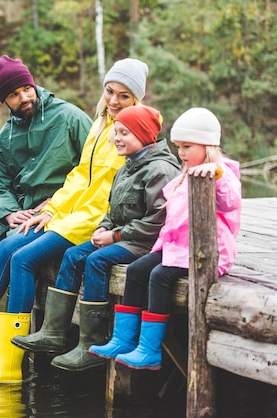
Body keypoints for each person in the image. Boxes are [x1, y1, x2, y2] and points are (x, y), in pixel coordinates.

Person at [0, 58, 150, 385]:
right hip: (61, 211)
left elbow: (121, 187)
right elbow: (78, 177)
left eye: (124, 96)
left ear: (137, 99)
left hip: (91, 220)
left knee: (20, 256)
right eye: (110, 92)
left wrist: (74, 217)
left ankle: (6, 360)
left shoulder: (114, 126)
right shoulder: (100, 123)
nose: (114, 100)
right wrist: (48, 210)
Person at [11, 105, 180, 372]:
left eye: (125, 133)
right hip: (121, 236)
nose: (117, 139)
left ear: (144, 134)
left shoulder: (159, 169)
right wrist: (103, 229)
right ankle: (53, 333)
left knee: (98, 261)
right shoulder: (127, 166)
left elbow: (158, 221)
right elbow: (111, 209)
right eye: (116, 132)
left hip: (144, 243)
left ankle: (90, 344)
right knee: (73, 254)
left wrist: (114, 236)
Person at [0, 55, 93, 340]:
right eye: (14, 94)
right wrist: (10, 212)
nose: (24, 97)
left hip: (61, 212)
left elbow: (94, 171)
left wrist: (56, 203)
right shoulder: (7, 135)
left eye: (27, 88)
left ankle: (6, 343)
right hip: (19, 215)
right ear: (4, 101)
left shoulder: (70, 118)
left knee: (14, 253)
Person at [89, 107, 242, 370]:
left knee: (159, 277)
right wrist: (158, 247)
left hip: (204, 251)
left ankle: (149, 350)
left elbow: (230, 202)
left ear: (207, 145)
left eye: (187, 147)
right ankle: (123, 339)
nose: (181, 153)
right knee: (137, 270)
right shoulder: (184, 174)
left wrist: (215, 175)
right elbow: (172, 220)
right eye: (178, 146)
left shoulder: (220, 173)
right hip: (176, 246)